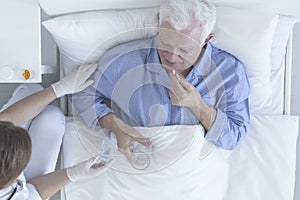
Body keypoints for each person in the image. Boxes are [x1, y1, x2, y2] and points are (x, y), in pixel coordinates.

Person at [71, 0, 250, 159]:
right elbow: (81, 92)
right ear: (158, 22)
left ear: (206, 40)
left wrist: (198, 106)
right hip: (142, 168)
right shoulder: (126, 60)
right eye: (165, 44)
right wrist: (117, 128)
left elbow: (233, 137)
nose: (172, 57)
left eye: (184, 50)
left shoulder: (230, 73)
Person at [0, 64, 108, 200]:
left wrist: (59, 88)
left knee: (34, 91)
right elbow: (37, 191)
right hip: (22, 183)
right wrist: (73, 173)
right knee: (53, 117)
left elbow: (8, 117)